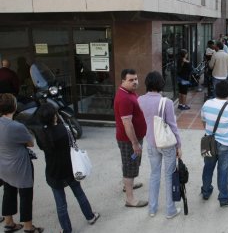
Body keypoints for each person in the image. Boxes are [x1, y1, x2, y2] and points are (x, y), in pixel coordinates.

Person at [37, 103, 99, 232]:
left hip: (53, 172)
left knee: (61, 205)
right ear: (54, 115)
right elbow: (73, 142)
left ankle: (66, 230)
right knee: (79, 194)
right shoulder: (64, 128)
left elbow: (42, 147)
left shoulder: (41, 134)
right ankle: (90, 216)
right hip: (70, 168)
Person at [138, 71, 183, 219]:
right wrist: (179, 145)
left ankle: (152, 208)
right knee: (169, 175)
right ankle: (170, 210)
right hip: (166, 143)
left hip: (151, 141)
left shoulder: (140, 100)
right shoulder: (167, 102)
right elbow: (172, 125)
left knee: (154, 175)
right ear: (160, 84)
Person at [0, 93, 44, 233]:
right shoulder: (16, 126)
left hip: (3, 164)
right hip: (19, 165)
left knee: (8, 191)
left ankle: (9, 222)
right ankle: (28, 226)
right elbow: (30, 143)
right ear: (14, 107)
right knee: (25, 194)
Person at [201, 80, 228, 207]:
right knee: (223, 172)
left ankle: (206, 191)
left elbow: (203, 121)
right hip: (226, 145)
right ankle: (224, 198)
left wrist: (209, 132)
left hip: (209, 142)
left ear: (215, 90)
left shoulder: (207, 104)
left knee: (208, 167)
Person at [113, 69, 148, 208]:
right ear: (123, 81)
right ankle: (130, 199)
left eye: (135, 79)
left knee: (130, 163)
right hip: (129, 140)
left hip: (133, 139)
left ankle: (128, 185)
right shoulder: (124, 98)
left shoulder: (129, 93)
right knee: (130, 165)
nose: (134, 82)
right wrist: (135, 143)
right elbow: (127, 124)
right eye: (131, 80)